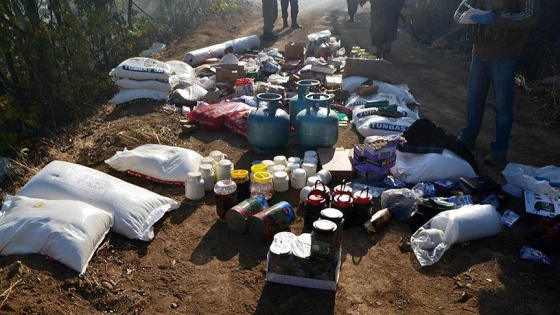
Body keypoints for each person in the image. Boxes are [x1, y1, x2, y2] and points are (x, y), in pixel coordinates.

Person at [454, 0, 540, 166]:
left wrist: (494, 19)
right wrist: (466, 18)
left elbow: (530, 17)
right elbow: (459, 11)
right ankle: (469, 137)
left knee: (502, 107)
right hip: (478, 52)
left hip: (505, 55)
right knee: (474, 99)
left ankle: (499, 150)